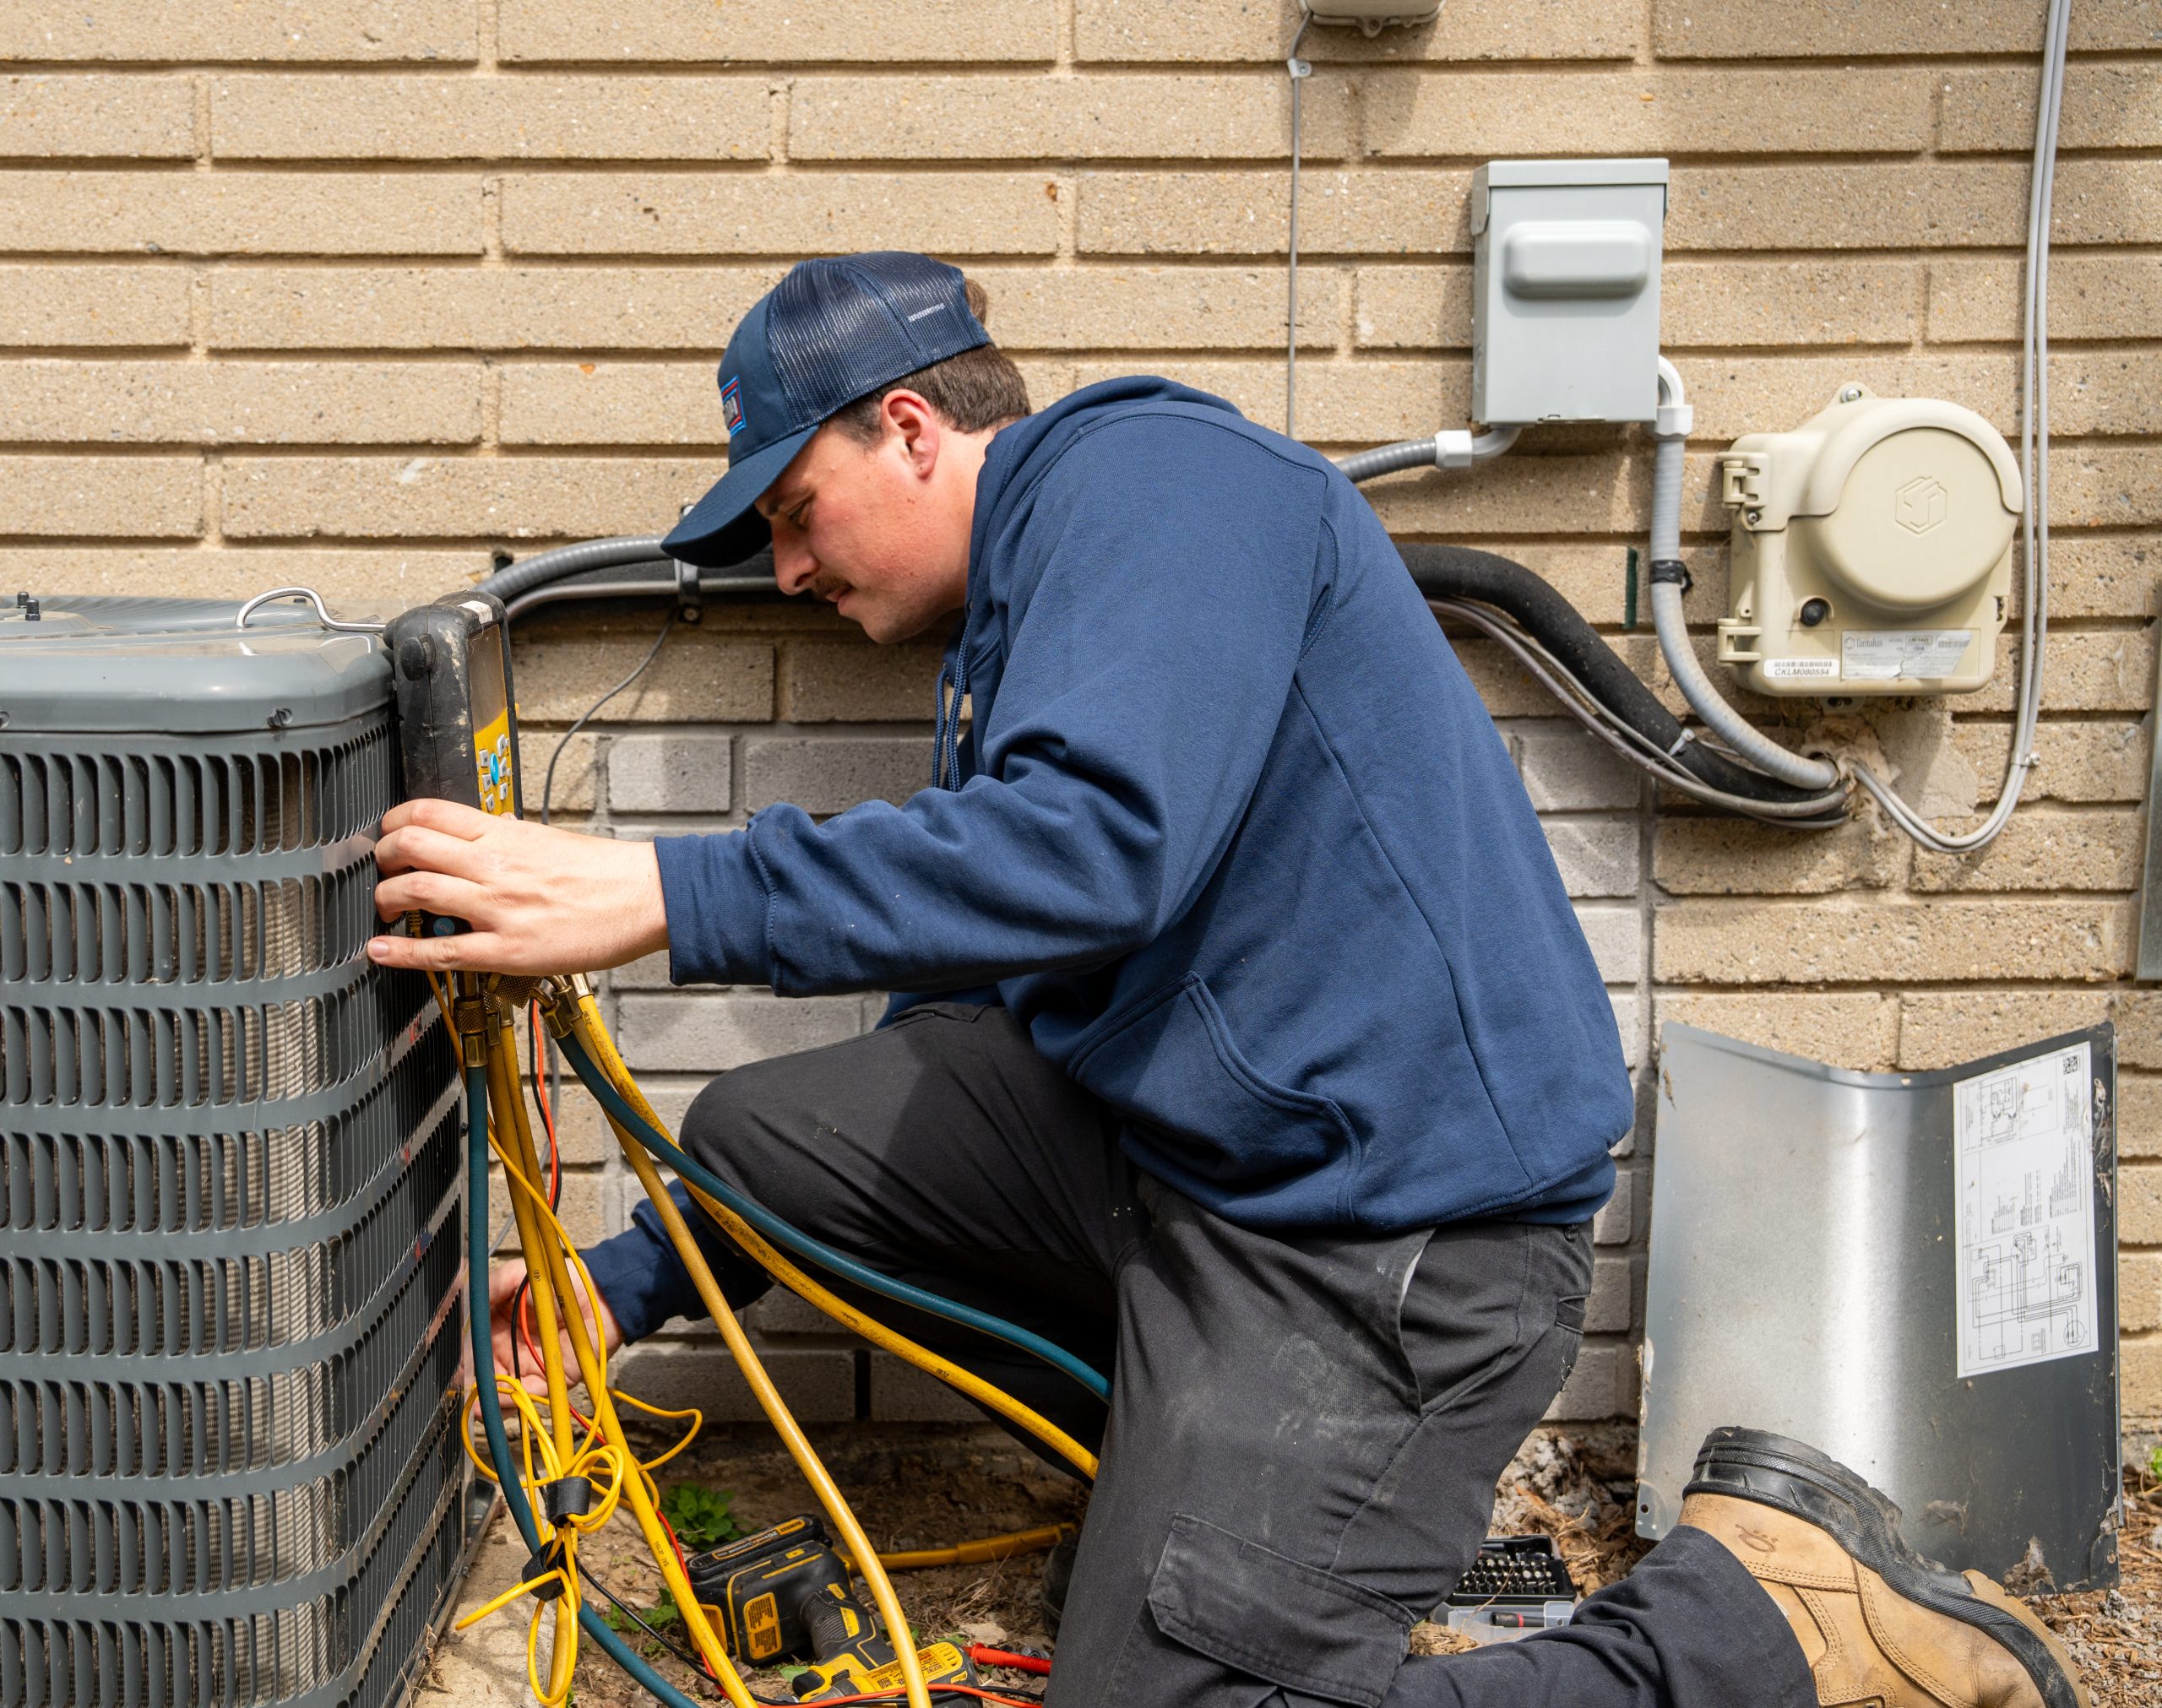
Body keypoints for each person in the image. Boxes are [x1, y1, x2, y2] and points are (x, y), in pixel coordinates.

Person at [370, 252, 2087, 1708]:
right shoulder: (1023, 604)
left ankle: (1759, 1618)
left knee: (1180, 1698)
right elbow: (988, 944)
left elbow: (1091, 846)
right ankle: (1193, 1496)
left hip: (1385, 1253)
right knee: (764, 1130)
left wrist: (662, 886)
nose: (791, 570)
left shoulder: (1153, 487)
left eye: (793, 512)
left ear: (907, 426)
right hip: (1190, 1169)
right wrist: (630, 1271)